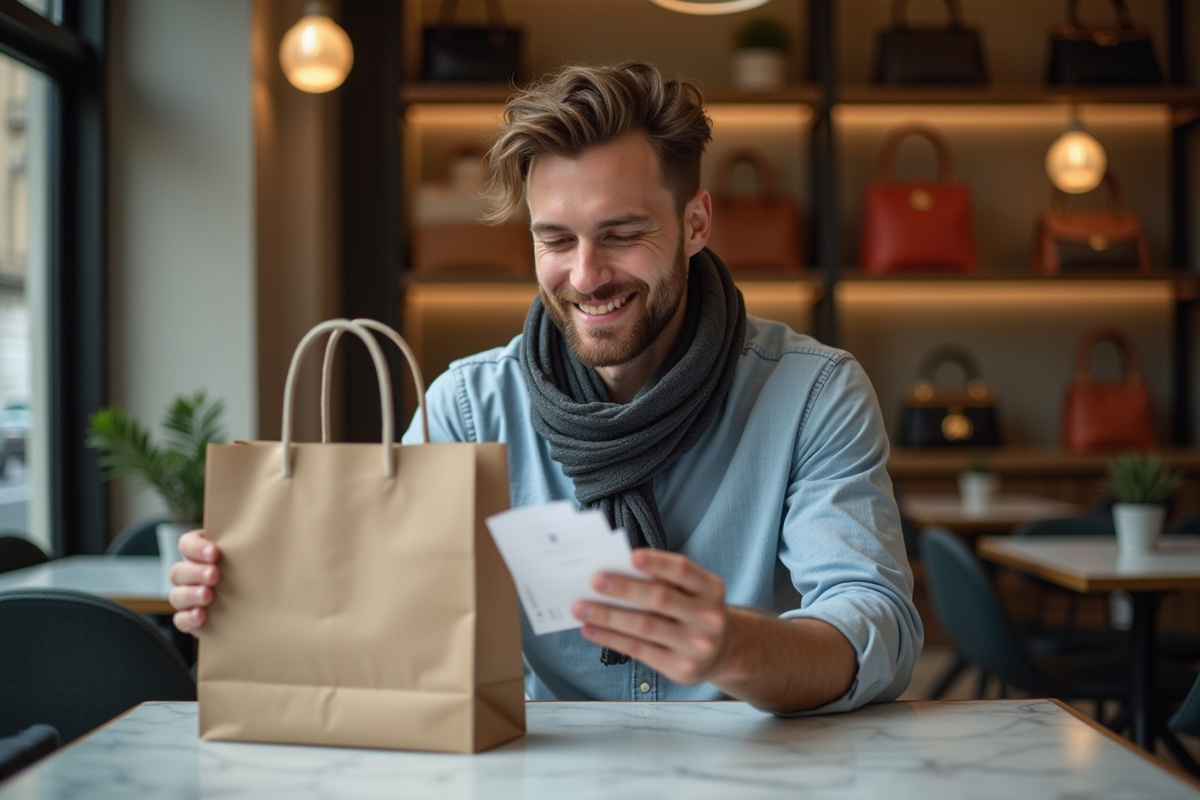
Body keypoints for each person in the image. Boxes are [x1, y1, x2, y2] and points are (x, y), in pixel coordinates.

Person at [170, 61, 922, 715]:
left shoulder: (812, 394)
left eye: (623, 234)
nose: (586, 276)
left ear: (696, 224)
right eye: (555, 240)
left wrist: (734, 646)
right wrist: (254, 599)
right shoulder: (466, 409)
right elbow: (381, 617)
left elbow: (875, 623)